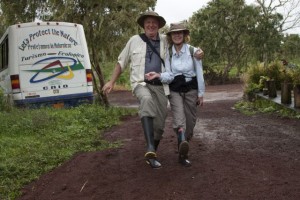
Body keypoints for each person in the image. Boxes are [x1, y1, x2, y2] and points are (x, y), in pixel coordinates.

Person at [103, 11, 203, 169]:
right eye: (148, 22)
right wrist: (112, 81)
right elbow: (121, 62)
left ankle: (152, 153)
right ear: (143, 25)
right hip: (140, 83)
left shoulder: (165, 40)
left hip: (161, 86)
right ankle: (150, 148)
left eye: (154, 23)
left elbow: (181, 44)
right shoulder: (134, 41)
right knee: (147, 100)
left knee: (160, 125)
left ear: (158, 26)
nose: (151, 25)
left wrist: (197, 51)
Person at [145, 22, 205, 167]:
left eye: (180, 32)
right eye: (174, 33)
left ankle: (183, 144)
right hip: (175, 89)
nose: (177, 35)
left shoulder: (193, 51)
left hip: (191, 88)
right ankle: (183, 154)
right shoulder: (169, 53)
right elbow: (169, 75)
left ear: (184, 35)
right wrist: (159, 75)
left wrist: (201, 93)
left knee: (190, 123)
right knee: (179, 120)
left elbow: (199, 72)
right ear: (171, 36)